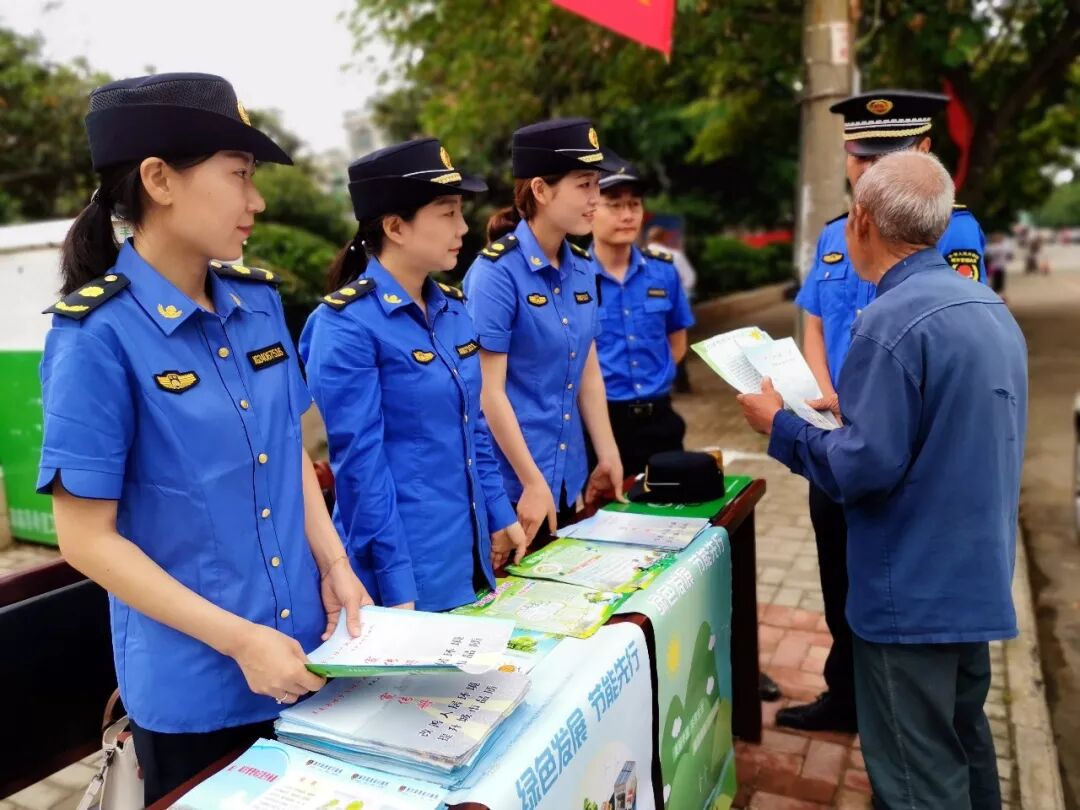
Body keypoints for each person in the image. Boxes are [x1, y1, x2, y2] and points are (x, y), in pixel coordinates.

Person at [36, 73, 372, 803]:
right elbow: (85, 539)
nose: (256, 202)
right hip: (197, 695)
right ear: (159, 179)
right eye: (239, 176)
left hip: (308, 658)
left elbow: (287, 455)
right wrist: (240, 641)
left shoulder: (257, 304)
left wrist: (336, 564)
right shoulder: (97, 335)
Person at [738, 150, 1026, 809]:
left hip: (910, 593)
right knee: (963, 746)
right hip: (970, 579)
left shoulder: (888, 321)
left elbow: (862, 470)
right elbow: (944, 428)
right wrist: (856, 409)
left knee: (915, 776)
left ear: (860, 221)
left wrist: (780, 424)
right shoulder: (986, 306)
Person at [784, 89, 990, 733]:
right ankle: (846, 697)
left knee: (893, 592)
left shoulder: (952, 231)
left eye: (889, 156)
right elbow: (814, 320)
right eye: (861, 157)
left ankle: (897, 727)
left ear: (924, 152)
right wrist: (825, 399)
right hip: (835, 440)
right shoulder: (833, 236)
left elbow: (954, 336)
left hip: (899, 447)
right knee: (837, 581)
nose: (870, 173)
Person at [299, 138, 529, 612]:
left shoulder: (451, 307)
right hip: (399, 569)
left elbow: (474, 428)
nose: (463, 228)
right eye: (446, 213)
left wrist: (498, 512)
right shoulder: (344, 325)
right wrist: (396, 583)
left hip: (465, 554)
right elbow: (360, 467)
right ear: (395, 227)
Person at [463, 118, 626, 544]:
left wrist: (606, 451)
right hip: (515, 493)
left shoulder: (583, 267)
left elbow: (587, 366)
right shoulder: (495, 275)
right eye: (584, 184)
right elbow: (488, 392)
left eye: (596, 184)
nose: (596, 199)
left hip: (568, 479)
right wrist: (533, 483)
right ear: (540, 189)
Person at [589, 157, 694, 476]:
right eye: (615, 205)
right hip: (600, 422)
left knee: (670, 511)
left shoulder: (663, 272)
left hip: (659, 419)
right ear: (590, 208)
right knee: (604, 521)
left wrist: (656, 379)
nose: (627, 215)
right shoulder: (572, 278)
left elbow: (677, 341)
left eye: (634, 204)